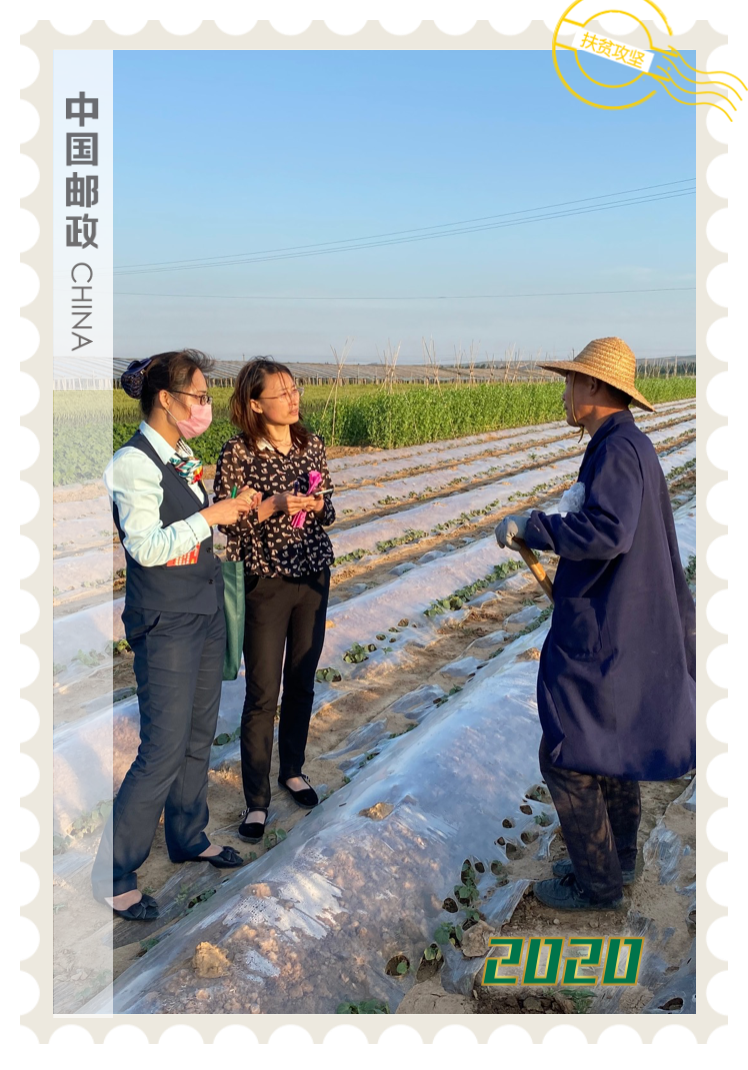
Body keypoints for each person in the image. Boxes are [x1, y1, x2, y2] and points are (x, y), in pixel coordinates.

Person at [495, 337, 696, 911]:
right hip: (623, 618)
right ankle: (619, 860)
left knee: (565, 752)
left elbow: (610, 531)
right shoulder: (625, 444)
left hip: (609, 626)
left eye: (569, 382)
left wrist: (536, 527)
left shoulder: (618, 450)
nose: (564, 393)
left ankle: (599, 884)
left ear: (592, 386)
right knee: (610, 742)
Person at [91, 350, 261, 921]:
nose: (206, 406)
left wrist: (228, 511)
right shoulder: (132, 464)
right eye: (199, 396)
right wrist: (210, 518)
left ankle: (189, 835)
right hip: (165, 620)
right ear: (166, 399)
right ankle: (114, 872)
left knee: (197, 732)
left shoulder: (181, 455)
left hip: (203, 609)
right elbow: (145, 546)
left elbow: (188, 526)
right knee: (162, 746)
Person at [214, 359, 336, 844]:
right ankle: (256, 801)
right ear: (255, 404)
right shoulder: (238, 453)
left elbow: (329, 508)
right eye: (281, 393)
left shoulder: (311, 445)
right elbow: (227, 521)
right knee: (263, 692)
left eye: (294, 389)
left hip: (313, 573)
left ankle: (293, 770)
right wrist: (275, 504)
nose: (292, 398)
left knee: (302, 680)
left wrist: (317, 505)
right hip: (264, 581)